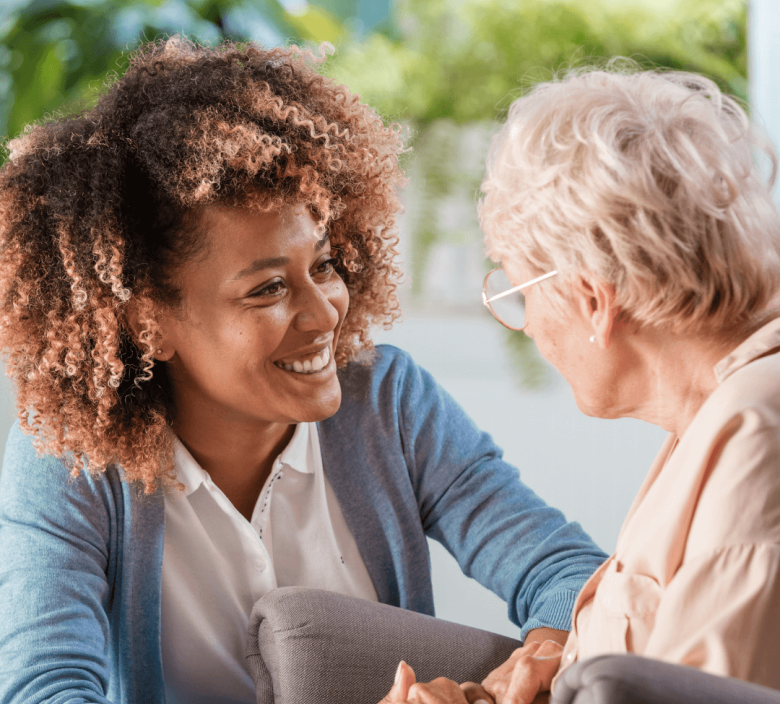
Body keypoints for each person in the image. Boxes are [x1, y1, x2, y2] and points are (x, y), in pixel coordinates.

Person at [0, 38, 606, 704]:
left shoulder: (388, 404)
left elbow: (568, 572)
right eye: (267, 289)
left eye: (323, 266)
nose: (324, 314)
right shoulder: (72, 458)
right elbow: (42, 690)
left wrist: (535, 664)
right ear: (150, 322)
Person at [382, 65, 780, 704]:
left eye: (520, 292)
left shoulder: (755, 438)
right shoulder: (710, 419)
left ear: (593, 300)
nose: (529, 329)